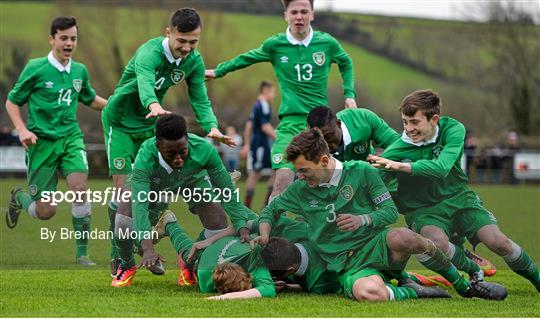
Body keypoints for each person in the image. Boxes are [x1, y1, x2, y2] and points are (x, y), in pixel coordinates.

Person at [255, 129, 507, 301]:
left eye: (303, 170)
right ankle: (411, 291)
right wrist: (265, 234)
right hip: (347, 265)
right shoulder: (300, 190)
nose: (299, 176)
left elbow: (388, 213)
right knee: (368, 294)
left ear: (323, 160)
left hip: (376, 246)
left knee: (404, 237)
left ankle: (465, 287)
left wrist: (363, 219)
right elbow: (270, 210)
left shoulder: (363, 172)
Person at [102, 8, 235, 273]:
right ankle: (119, 254)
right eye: (181, 41)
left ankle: (153, 232)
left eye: (193, 42)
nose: (187, 48)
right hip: (121, 123)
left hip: (154, 121)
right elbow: (145, 81)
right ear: (169, 33)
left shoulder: (194, 62)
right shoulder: (149, 52)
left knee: (159, 183)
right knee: (124, 191)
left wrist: (211, 126)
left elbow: (199, 97)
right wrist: (152, 103)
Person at [368, 89, 540, 292]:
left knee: (500, 243)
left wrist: (399, 166)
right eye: (405, 122)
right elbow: (374, 181)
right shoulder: (397, 150)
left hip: (459, 198)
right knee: (436, 244)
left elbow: (441, 168)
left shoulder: (453, 129)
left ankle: (537, 280)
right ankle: (472, 268)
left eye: (414, 122)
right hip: (423, 210)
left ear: (434, 119)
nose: (408, 129)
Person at [308, 106, 497, 278]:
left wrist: (386, 163)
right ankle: (390, 275)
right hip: (347, 193)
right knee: (358, 228)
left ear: (338, 124)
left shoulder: (362, 119)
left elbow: (399, 143)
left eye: (330, 136)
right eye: (321, 139)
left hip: (381, 179)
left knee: (426, 207)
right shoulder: (311, 145)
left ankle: (460, 251)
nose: (328, 144)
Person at [206, 0, 357, 202]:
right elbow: (246, 58)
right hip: (289, 125)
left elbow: (346, 62)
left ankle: (312, 228)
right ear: (286, 15)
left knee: (319, 183)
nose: (299, 17)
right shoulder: (275, 45)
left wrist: (349, 94)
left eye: (304, 12)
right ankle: (268, 231)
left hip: (320, 127)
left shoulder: (326, 43)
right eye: (294, 12)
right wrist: (218, 71)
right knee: (282, 179)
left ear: (312, 14)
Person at [5, 16, 107, 265]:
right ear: (52, 39)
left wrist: (117, 106)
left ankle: (82, 254)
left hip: (71, 138)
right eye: (64, 38)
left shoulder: (80, 70)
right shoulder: (36, 68)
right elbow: (12, 101)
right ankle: (19, 196)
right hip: (41, 143)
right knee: (46, 212)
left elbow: (89, 98)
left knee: (80, 189)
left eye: (73, 38)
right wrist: (22, 129)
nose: (69, 43)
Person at [111, 114, 252, 287]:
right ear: (158, 146)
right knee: (123, 219)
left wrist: (241, 224)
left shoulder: (204, 150)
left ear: (187, 140)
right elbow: (139, 204)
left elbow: (227, 190)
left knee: (218, 219)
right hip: (154, 183)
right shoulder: (145, 156)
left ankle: (189, 260)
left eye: (183, 151)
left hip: (191, 179)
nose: (178, 158)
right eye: (170, 153)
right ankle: (126, 265)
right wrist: (147, 248)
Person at [242, 81, 277, 208]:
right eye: (273, 92)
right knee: (256, 173)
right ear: (265, 91)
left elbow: (249, 125)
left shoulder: (256, 105)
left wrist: (246, 144)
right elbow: (264, 126)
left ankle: (263, 206)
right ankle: (250, 207)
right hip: (261, 145)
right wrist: (278, 138)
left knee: (275, 170)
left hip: (260, 144)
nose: (274, 95)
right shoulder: (263, 105)